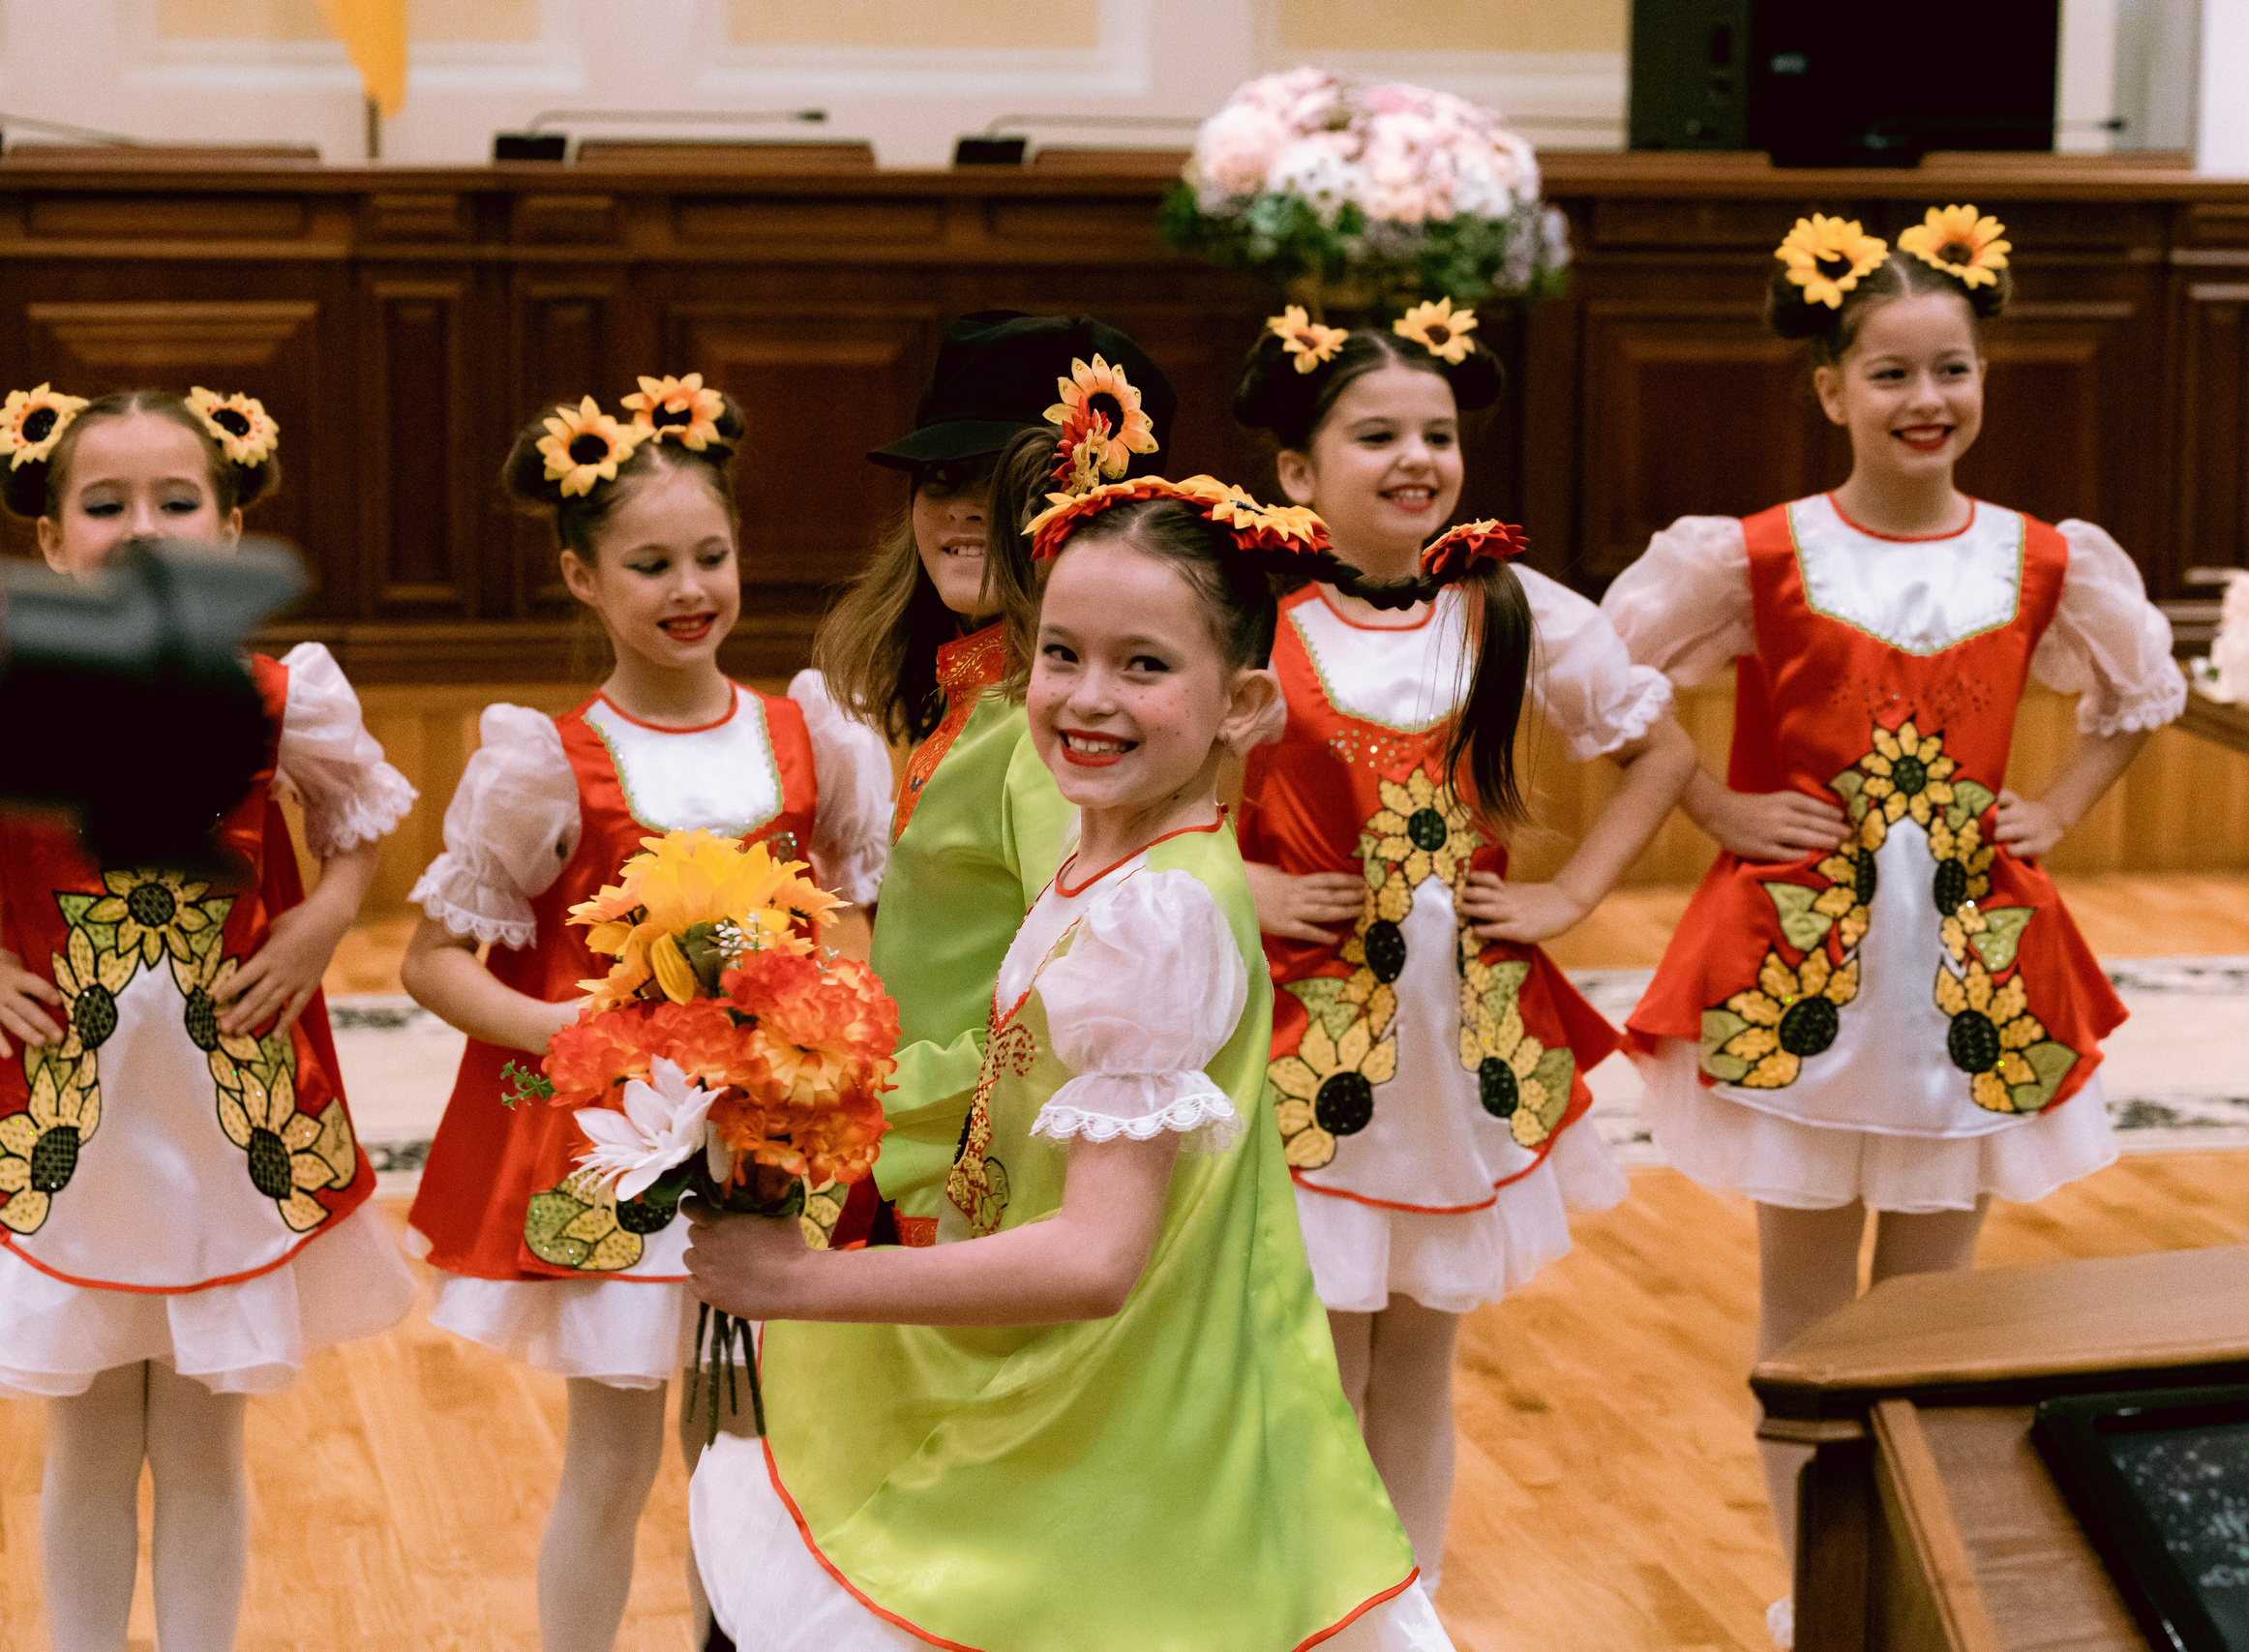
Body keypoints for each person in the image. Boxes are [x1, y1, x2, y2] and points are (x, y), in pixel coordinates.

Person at [682, 446, 1456, 1651]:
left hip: (1109, 1409)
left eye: (1144, 666)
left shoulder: (1158, 914)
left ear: (1242, 704)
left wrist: (799, 1285)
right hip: (1088, 1381)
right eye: (1062, 654)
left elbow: (1098, 1258)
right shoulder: (1110, 867)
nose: (1088, 697)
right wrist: (795, 1082)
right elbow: (1026, 1083)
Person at [1600, 208, 2187, 1647]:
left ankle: (1908, 1592)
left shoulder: (2050, 558)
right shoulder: (1753, 556)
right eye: (1892, 373)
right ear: (1828, 388)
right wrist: (1722, 811)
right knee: (1806, 1321)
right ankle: (1820, 1595)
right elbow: (1609, 689)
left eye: (1956, 368)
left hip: (1970, 982)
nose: (1929, 400)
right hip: (1795, 972)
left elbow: (2141, 696)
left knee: (1933, 1321)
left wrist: (2060, 802)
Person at [398, 376, 892, 1652]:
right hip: (622, 1156)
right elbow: (435, 958)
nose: (689, 587)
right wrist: (567, 1028)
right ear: (580, 574)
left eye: (710, 555)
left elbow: (865, 913)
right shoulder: (545, 757)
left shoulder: (807, 733)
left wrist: (840, 1030)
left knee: (751, 1455)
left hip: (777, 1146)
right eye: (650, 562)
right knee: (615, 1456)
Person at [1228, 301, 1694, 1591]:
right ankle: (1314, 1600)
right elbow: (1130, 792)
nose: (1416, 457)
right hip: (1297, 1045)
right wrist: (1237, 886)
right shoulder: (1248, 615)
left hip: (1462, 1042)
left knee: (1421, 1353)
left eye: (1436, 432)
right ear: (1296, 471)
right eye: (1375, 432)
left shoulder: (1512, 605)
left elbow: (1662, 747)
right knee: (1314, 1346)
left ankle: (1408, 1607)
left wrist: (1570, 896)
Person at [0, 385, 416, 1652]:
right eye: (106, 503)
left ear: (229, 529)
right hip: (60, 1110)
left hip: (227, 1106)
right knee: (85, 1431)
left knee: (199, 1427)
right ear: (53, 540)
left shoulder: (284, 692)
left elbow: (355, 822)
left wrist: (326, 917)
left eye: (176, 501)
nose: (144, 529)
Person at [813, 313, 1179, 1244]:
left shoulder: (1049, 733)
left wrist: (867, 1091)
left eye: (1004, 483)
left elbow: (1072, 1009)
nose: (963, 509)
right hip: (931, 1165)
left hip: (991, 1187)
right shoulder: (972, 696)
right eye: (941, 480)